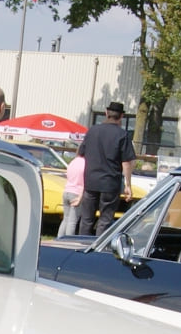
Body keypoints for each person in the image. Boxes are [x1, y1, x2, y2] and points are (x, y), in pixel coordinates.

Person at [76, 101, 136, 235]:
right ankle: (98, 248)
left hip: (91, 181)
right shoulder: (122, 135)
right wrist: (128, 185)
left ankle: (81, 244)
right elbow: (126, 162)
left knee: (86, 219)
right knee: (105, 219)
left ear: (106, 113)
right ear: (121, 117)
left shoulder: (92, 131)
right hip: (110, 182)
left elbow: (81, 154)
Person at [58, 152, 86, 237]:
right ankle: (68, 241)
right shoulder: (86, 164)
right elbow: (85, 182)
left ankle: (59, 240)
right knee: (72, 221)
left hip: (67, 190)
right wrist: (81, 197)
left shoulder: (73, 162)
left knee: (65, 219)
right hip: (76, 193)